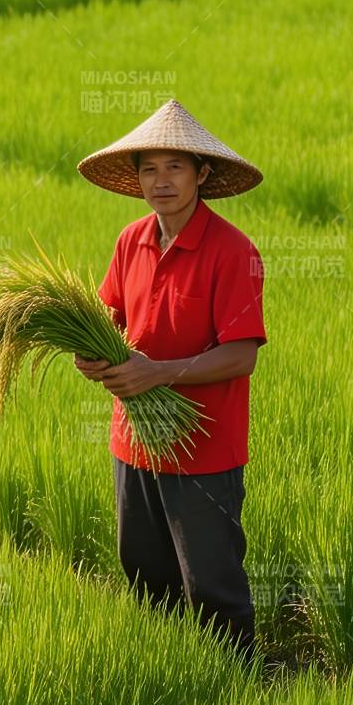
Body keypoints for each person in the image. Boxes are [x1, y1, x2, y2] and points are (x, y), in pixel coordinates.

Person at [73, 98, 266, 668]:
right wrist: (93, 356)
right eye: (149, 168)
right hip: (132, 443)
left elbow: (240, 356)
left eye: (175, 167)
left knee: (211, 587)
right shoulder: (130, 241)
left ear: (202, 174)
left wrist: (159, 372)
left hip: (204, 452)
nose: (161, 181)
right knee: (145, 577)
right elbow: (110, 318)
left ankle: (236, 695)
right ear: (135, 178)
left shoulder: (234, 252)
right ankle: (170, 682)